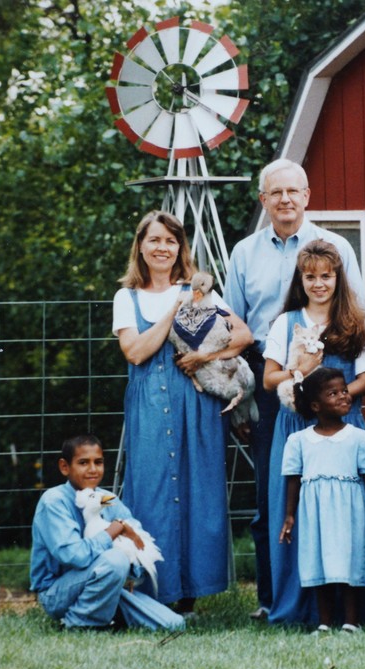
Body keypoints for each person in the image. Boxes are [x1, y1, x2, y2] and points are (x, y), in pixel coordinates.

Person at [224, 158, 365, 620]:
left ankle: (346, 600)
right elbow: (235, 326)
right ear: (263, 199)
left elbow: (358, 317)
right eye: (275, 192)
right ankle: (275, 601)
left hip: (337, 385)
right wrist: (252, 392)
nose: (285, 199)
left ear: (307, 195)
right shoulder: (245, 252)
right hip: (275, 382)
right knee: (276, 496)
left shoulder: (335, 247)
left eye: (293, 191)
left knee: (343, 495)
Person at [112, 210, 253, 617]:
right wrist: (174, 310)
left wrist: (206, 354)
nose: (162, 248)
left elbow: (242, 334)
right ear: (141, 246)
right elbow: (136, 351)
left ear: (180, 248)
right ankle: (154, 589)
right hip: (150, 405)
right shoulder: (128, 297)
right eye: (155, 240)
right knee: (151, 489)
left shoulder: (197, 291)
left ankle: (190, 596)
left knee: (197, 490)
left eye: (171, 241)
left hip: (195, 403)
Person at [262, 239, 365, 624]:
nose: (319, 284)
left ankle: (354, 610)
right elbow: (268, 377)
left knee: (349, 513)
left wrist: (339, 398)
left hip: (343, 426)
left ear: (338, 277)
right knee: (295, 510)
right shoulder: (286, 321)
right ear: (301, 279)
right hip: (297, 424)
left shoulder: (355, 322)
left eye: (326, 276)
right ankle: (301, 609)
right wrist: (301, 376)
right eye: (310, 276)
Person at [30, 434, 186, 632]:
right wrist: (114, 530)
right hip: (59, 592)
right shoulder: (54, 501)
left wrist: (131, 573)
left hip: (111, 584)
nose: (93, 469)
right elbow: (75, 556)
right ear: (65, 467)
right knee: (115, 560)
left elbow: (140, 543)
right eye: (83, 463)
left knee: (173, 625)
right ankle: (80, 624)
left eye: (99, 462)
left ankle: (107, 615)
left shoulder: (107, 499)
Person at [279, 367, 365, 633]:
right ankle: (323, 622)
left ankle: (351, 621)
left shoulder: (360, 438)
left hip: (351, 514)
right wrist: (289, 516)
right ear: (315, 405)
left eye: (344, 390)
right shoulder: (299, 441)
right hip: (316, 514)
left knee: (350, 562)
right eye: (333, 393)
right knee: (318, 561)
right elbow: (293, 479)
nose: (344, 396)